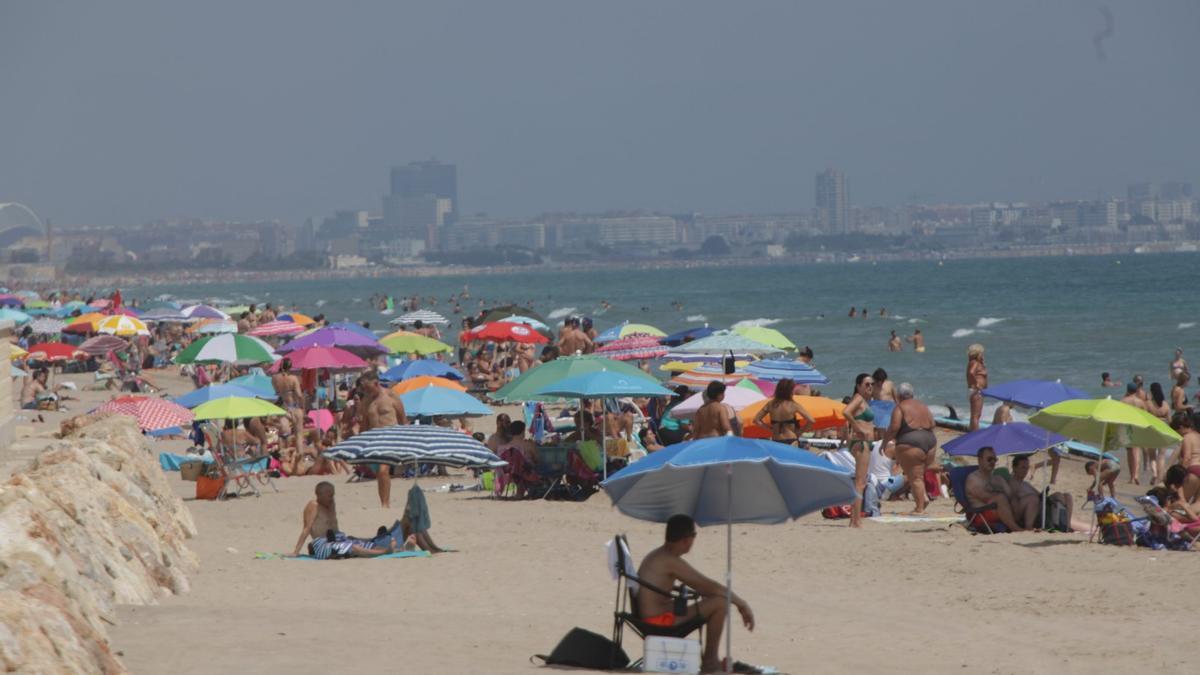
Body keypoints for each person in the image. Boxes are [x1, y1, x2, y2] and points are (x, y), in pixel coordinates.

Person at [636, 515, 754, 674]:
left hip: (657, 614)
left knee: (714, 599)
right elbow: (709, 586)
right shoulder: (669, 560)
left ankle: (711, 661)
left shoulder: (660, 555)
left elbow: (705, 588)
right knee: (720, 603)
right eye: (694, 535)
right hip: (658, 621)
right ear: (686, 539)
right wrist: (742, 604)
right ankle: (710, 664)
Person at [292, 482, 399, 558]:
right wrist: (295, 552)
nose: (332, 498)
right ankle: (383, 552)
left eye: (333, 495)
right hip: (322, 543)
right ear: (319, 495)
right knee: (353, 547)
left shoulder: (331, 504)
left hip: (339, 538)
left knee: (366, 543)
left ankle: (391, 548)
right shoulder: (313, 506)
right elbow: (306, 529)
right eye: (329, 495)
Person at [883, 383, 937, 515]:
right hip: (930, 442)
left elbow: (894, 427)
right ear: (912, 395)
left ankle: (919, 508)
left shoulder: (900, 407)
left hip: (911, 443)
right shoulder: (924, 407)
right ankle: (923, 499)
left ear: (899, 396)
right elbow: (933, 424)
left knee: (915, 477)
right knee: (919, 475)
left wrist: (884, 442)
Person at [357, 370, 408, 508]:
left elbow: (403, 420)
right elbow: (364, 424)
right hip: (374, 441)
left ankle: (385, 504)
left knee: (382, 470)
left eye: (367, 388)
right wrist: (361, 445)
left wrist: (405, 441)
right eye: (364, 389)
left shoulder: (391, 396)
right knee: (380, 474)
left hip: (391, 438)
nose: (365, 391)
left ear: (376, 383)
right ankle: (384, 502)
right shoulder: (366, 401)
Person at [1009, 455, 1081, 531]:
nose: (1025, 471)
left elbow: (1039, 495)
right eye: (1023, 467)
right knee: (1033, 498)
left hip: (1038, 505)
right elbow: (1014, 500)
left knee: (1066, 496)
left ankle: (1067, 526)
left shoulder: (1026, 484)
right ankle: (1029, 527)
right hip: (1027, 511)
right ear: (1014, 468)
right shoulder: (1011, 483)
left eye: (1027, 468)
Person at [964, 447, 1029, 532]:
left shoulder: (997, 478)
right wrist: (1002, 493)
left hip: (1000, 510)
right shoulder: (973, 479)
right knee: (1000, 498)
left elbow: (1010, 494)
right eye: (989, 459)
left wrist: (1004, 486)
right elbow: (986, 497)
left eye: (995, 459)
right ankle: (1015, 528)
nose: (993, 462)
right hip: (981, 514)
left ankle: (1029, 526)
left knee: (1027, 498)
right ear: (980, 460)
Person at [842, 373, 876, 528]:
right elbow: (846, 412)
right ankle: (856, 520)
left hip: (863, 442)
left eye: (872, 384)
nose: (870, 387)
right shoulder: (859, 398)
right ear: (858, 386)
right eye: (866, 384)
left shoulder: (864, 401)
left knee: (860, 481)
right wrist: (858, 428)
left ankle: (853, 520)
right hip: (861, 442)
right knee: (860, 483)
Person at [751, 378, 814, 446]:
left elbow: (756, 420)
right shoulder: (793, 405)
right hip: (791, 439)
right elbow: (811, 420)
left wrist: (770, 429)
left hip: (776, 439)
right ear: (789, 391)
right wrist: (801, 431)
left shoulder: (770, 404)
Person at [272, 359, 307, 456]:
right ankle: (300, 457)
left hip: (283, 408)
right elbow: (299, 395)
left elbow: (277, 392)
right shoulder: (293, 378)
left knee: (283, 434)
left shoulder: (274, 378)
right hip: (294, 407)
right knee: (299, 434)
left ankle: (283, 457)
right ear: (290, 367)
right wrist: (303, 408)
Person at [1120, 383, 1146, 485]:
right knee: (1137, 450)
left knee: (1130, 452)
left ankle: (1131, 476)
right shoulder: (1140, 402)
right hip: (1137, 426)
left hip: (1126, 426)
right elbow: (1146, 415)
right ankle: (1136, 475)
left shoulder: (1123, 401)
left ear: (1127, 389)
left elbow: (1119, 414)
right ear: (1136, 391)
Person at [1145, 382, 1170, 484]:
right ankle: (1160, 477)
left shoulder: (1149, 403)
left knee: (1152, 456)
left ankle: (1154, 473)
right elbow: (1170, 419)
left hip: (1152, 429)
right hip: (1163, 429)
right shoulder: (1165, 404)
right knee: (1162, 455)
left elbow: (1145, 417)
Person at [966, 343, 988, 431]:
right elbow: (971, 373)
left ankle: (972, 433)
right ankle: (975, 434)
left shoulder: (974, 362)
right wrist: (977, 384)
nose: (983, 355)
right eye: (981, 353)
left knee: (975, 415)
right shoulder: (974, 363)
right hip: (977, 391)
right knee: (976, 416)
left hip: (976, 391)